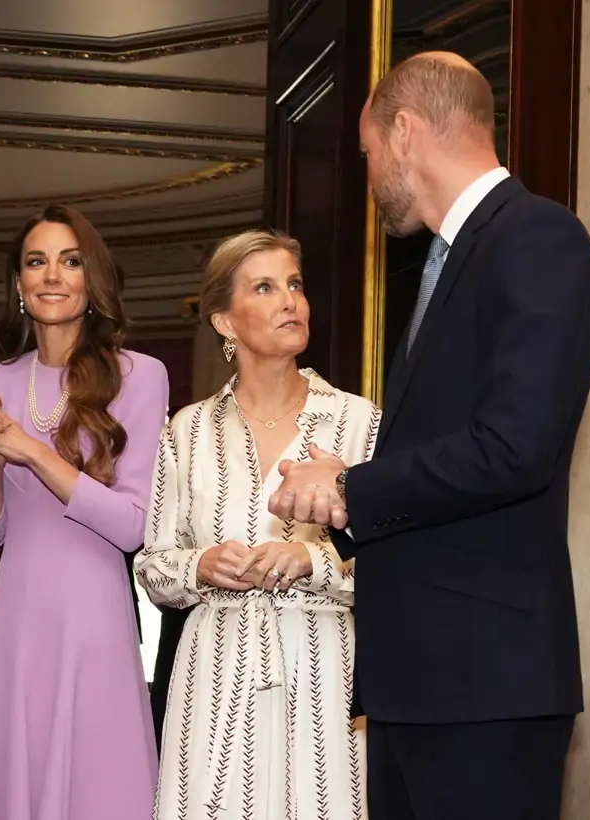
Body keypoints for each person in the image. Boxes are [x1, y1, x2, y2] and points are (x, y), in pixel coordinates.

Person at [269, 52, 590, 820]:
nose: (370, 172)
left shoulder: (537, 238)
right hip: (423, 679)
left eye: (368, 152)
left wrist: (353, 487)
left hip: (485, 683)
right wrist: (346, 493)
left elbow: (517, 448)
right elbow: (454, 446)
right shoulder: (445, 261)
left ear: (407, 131)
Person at [135, 230, 381, 819]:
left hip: (324, 663)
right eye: (265, 287)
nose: (290, 301)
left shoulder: (357, 420)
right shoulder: (187, 431)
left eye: (294, 284)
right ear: (225, 322)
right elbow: (152, 565)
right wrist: (199, 565)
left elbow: (393, 557)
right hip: (213, 665)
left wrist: (312, 560)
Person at [0, 204, 168, 820]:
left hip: (94, 621)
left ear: (91, 279)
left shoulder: (139, 376)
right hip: (16, 620)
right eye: (36, 261)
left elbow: (131, 525)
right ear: (18, 284)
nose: (52, 275)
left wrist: (28, 450)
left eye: (70, 261)